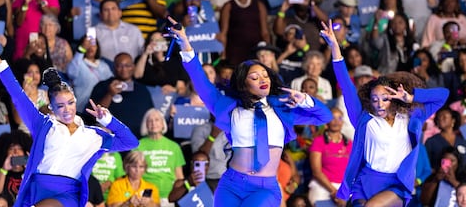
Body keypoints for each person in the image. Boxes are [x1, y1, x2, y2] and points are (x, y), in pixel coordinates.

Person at [169, 16, 332, 206]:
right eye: (255, 77)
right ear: (243, 84)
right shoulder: (229, 107)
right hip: (231, 184)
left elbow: (324, 116)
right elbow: (201, 81)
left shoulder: (282, 108)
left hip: (265, 187)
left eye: (265, 75)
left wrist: (305, 99)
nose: (263, 79)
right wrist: (185, 44)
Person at [0, 40, 139, 207]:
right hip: (36, 189)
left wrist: (108, 121)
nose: (67, 110)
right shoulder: (43, 125)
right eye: (60, 105)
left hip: (67, 194)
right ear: (51, 108)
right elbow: (18, 96)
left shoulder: (93, 135)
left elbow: (131, 142)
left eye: (71, 103)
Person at [321, 18, 449, 206]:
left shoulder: (411, 117)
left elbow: (443, 95)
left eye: (385, 99)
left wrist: (412, 98)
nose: (379, 104)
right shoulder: (365, 119)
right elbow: (347, 86)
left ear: (394, 99)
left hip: (396, 183)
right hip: (366, 181)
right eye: (374, 99)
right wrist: (335, 48)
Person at [136, 108, 185, 203]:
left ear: (163, 123)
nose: (153, 123)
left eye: (157, 120)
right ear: (145, 125)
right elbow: (134, 176)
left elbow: (179, 176)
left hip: (169, 195)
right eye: (150, 121)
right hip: (146, 195)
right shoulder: (138, 146)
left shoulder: (174, 146)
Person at [308, 107, 352, 206]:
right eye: (333, 118)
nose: (336, 121)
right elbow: (316, 172)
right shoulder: (318, 141)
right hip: (322, 186)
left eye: (339, 118)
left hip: (344, 186)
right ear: (327, 122)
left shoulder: (349, 143)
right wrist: (335, 192)